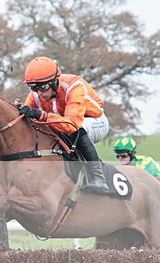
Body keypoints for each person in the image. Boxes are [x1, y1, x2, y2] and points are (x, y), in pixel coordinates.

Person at [18, 56, 110, 194]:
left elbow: (71, 125)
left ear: (55, 81)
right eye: (33, 88)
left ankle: (98, 177)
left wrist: (41, 115)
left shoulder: (75, 86)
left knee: (77, 129)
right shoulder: (37, 94)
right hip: (63, 122)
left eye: (43, 87)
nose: (39, 93)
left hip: (94, 121)